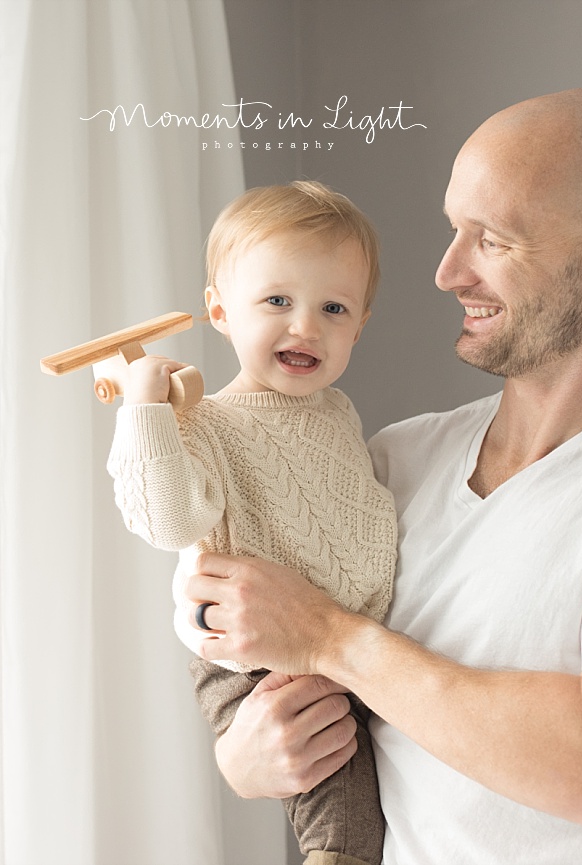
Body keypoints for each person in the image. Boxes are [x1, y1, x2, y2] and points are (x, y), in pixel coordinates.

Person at [185, 89, 582, 865]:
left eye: (493, 239)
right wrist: (243, 758)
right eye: (456, 231)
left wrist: (329, 636)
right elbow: (238, 619)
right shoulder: (390, 460)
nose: (449, 271)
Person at [106, 181, 398, 865]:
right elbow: (168, 521)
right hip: (260, 663)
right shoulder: (204, 423)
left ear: (358, 326)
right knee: (344, 820)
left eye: (333, 308)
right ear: (220, 310)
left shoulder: (340, 415)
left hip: (346, 648)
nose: (305, 326)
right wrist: (146, 412)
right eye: (277, 301)